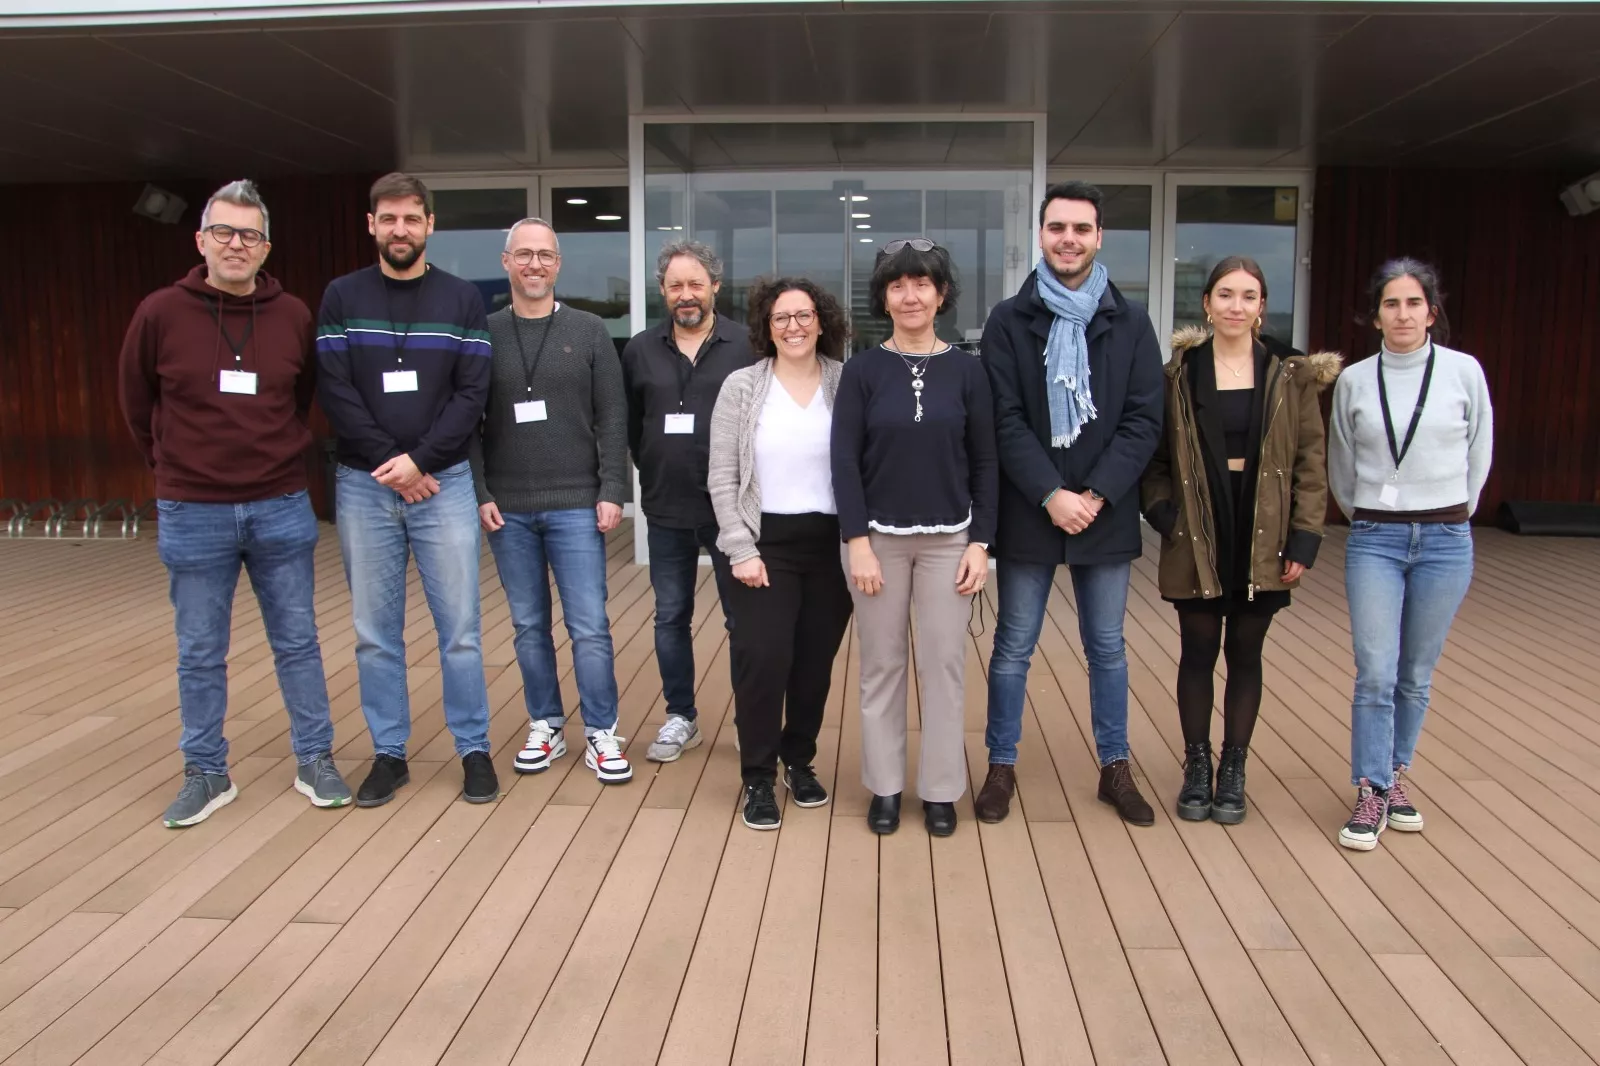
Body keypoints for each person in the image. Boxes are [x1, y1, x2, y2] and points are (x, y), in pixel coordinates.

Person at [118, 178, 351, 827]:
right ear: (201, 240)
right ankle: (206, 771)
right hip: (194, 509)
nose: (236, 244)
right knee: (199, 649)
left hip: (279, 502)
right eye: (224, 231)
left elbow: (301, 393)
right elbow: (137, 406)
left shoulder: (294, 316)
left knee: (298, 640)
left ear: (266, 246)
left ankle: (315, 758)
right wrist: (171, 469)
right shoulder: (160, 312)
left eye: (249, 234)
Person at [977, 180, 1164, 827]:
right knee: (1013, 647)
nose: (1069, 239)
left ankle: (1116, 768)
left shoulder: (1131, 322)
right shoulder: (1008, 320)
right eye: (1058, 227)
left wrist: (1096, 494)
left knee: (1107, 647)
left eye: (1081, 229)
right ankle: (1001, 766)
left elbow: (1144, 420)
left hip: (1105, 512)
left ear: (1099, 236)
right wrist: (1051, 493)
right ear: (1041, 234)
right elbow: (1001, 419)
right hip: (1032, 508)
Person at [316, 171, 498, 808]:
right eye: (388, 219)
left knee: (462, 630)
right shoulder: (341, 296)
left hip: (442, 485)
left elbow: (471, 393)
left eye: (411, 219)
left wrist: (419, 462)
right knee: (374, 630)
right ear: (371, 225)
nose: (400, 229)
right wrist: (390, 461)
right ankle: (389, 754)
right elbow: (335, 390)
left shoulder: (462, 300)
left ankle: (473, 748)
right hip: (364, 487)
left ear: (429, 225)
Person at [1141, 257, 1340, 824]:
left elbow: (1310, 460)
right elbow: (1154, 461)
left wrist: (1304, 537)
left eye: (1247, 296)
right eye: (1224, 294)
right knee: (1198, 651)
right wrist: (1165, 516)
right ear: (1206, 304)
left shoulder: (1289, 374)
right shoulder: (1177, 375)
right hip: (1198, 530)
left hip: (1263, 530)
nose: (1235, 305)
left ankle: (1234, 767)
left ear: (1260, 308)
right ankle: (1197, 766)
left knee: (1245, 654)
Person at [832, 239, 997, 837]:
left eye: (922, 284)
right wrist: (856, 541)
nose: (910, 295)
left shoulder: (969, 370)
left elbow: (986, 463)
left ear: (941, 294)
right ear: (884, 297)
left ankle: (941, 789)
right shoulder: (863, 371)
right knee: (880, 666)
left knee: (945, 666)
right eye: (898, 285)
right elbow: (844, 462)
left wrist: (982, 542)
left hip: (950, 543)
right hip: (878, 541)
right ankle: (885, 786)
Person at [1329, 257, 1492, 851]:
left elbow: (1480, 451)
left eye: (1414, 303)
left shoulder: (1462, 372)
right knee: (1375, 670)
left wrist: (1455, 509)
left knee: (1415, 675)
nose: (1403, 314)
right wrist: (1371, 511)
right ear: (1375, 315)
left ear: (1432, 310)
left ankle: (1396, 773)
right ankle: (1371, 788)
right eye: (1391, 304)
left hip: (1446, 541)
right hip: (1376, 538)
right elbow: (1342, 468)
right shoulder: (1355, 380)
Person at [470, 217, 632, 785]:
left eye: (545, 255)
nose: (535, 265)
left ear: (557, 264)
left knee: (589, 625)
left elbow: (613, 415)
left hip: (576, 503)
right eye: (524, 255)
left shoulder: (588, 332)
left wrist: (613, 489)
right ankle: (545, 722)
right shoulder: (484, 332)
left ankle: (602, 731)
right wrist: (480, 491)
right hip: (506, 507)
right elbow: (467, 420)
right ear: (506, 261)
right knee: (529, 625)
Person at [708, 277, 854, 830]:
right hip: (761, 545)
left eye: (804, 315)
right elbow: (722, 475)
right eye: (781, 318)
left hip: (830, 545)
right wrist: (740, 547)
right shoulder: (742, 387)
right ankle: (758, 776)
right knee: (763, 660)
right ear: (766, 329)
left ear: (822, 321)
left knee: (814, 664)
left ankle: (800, 759)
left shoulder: (846, 382)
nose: (794, 326)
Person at [621, 241, 758, 764]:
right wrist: (653, 466)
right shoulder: (639, 349)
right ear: (662, 290)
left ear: (715, 287)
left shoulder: (746, 345)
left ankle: (751, 717)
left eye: (695, 284)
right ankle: (682, 717)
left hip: (733, 514)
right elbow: (633, 425)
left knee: (742, 620)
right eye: (675, 285)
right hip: (666, 508)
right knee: (670, 616)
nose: (686, 295)